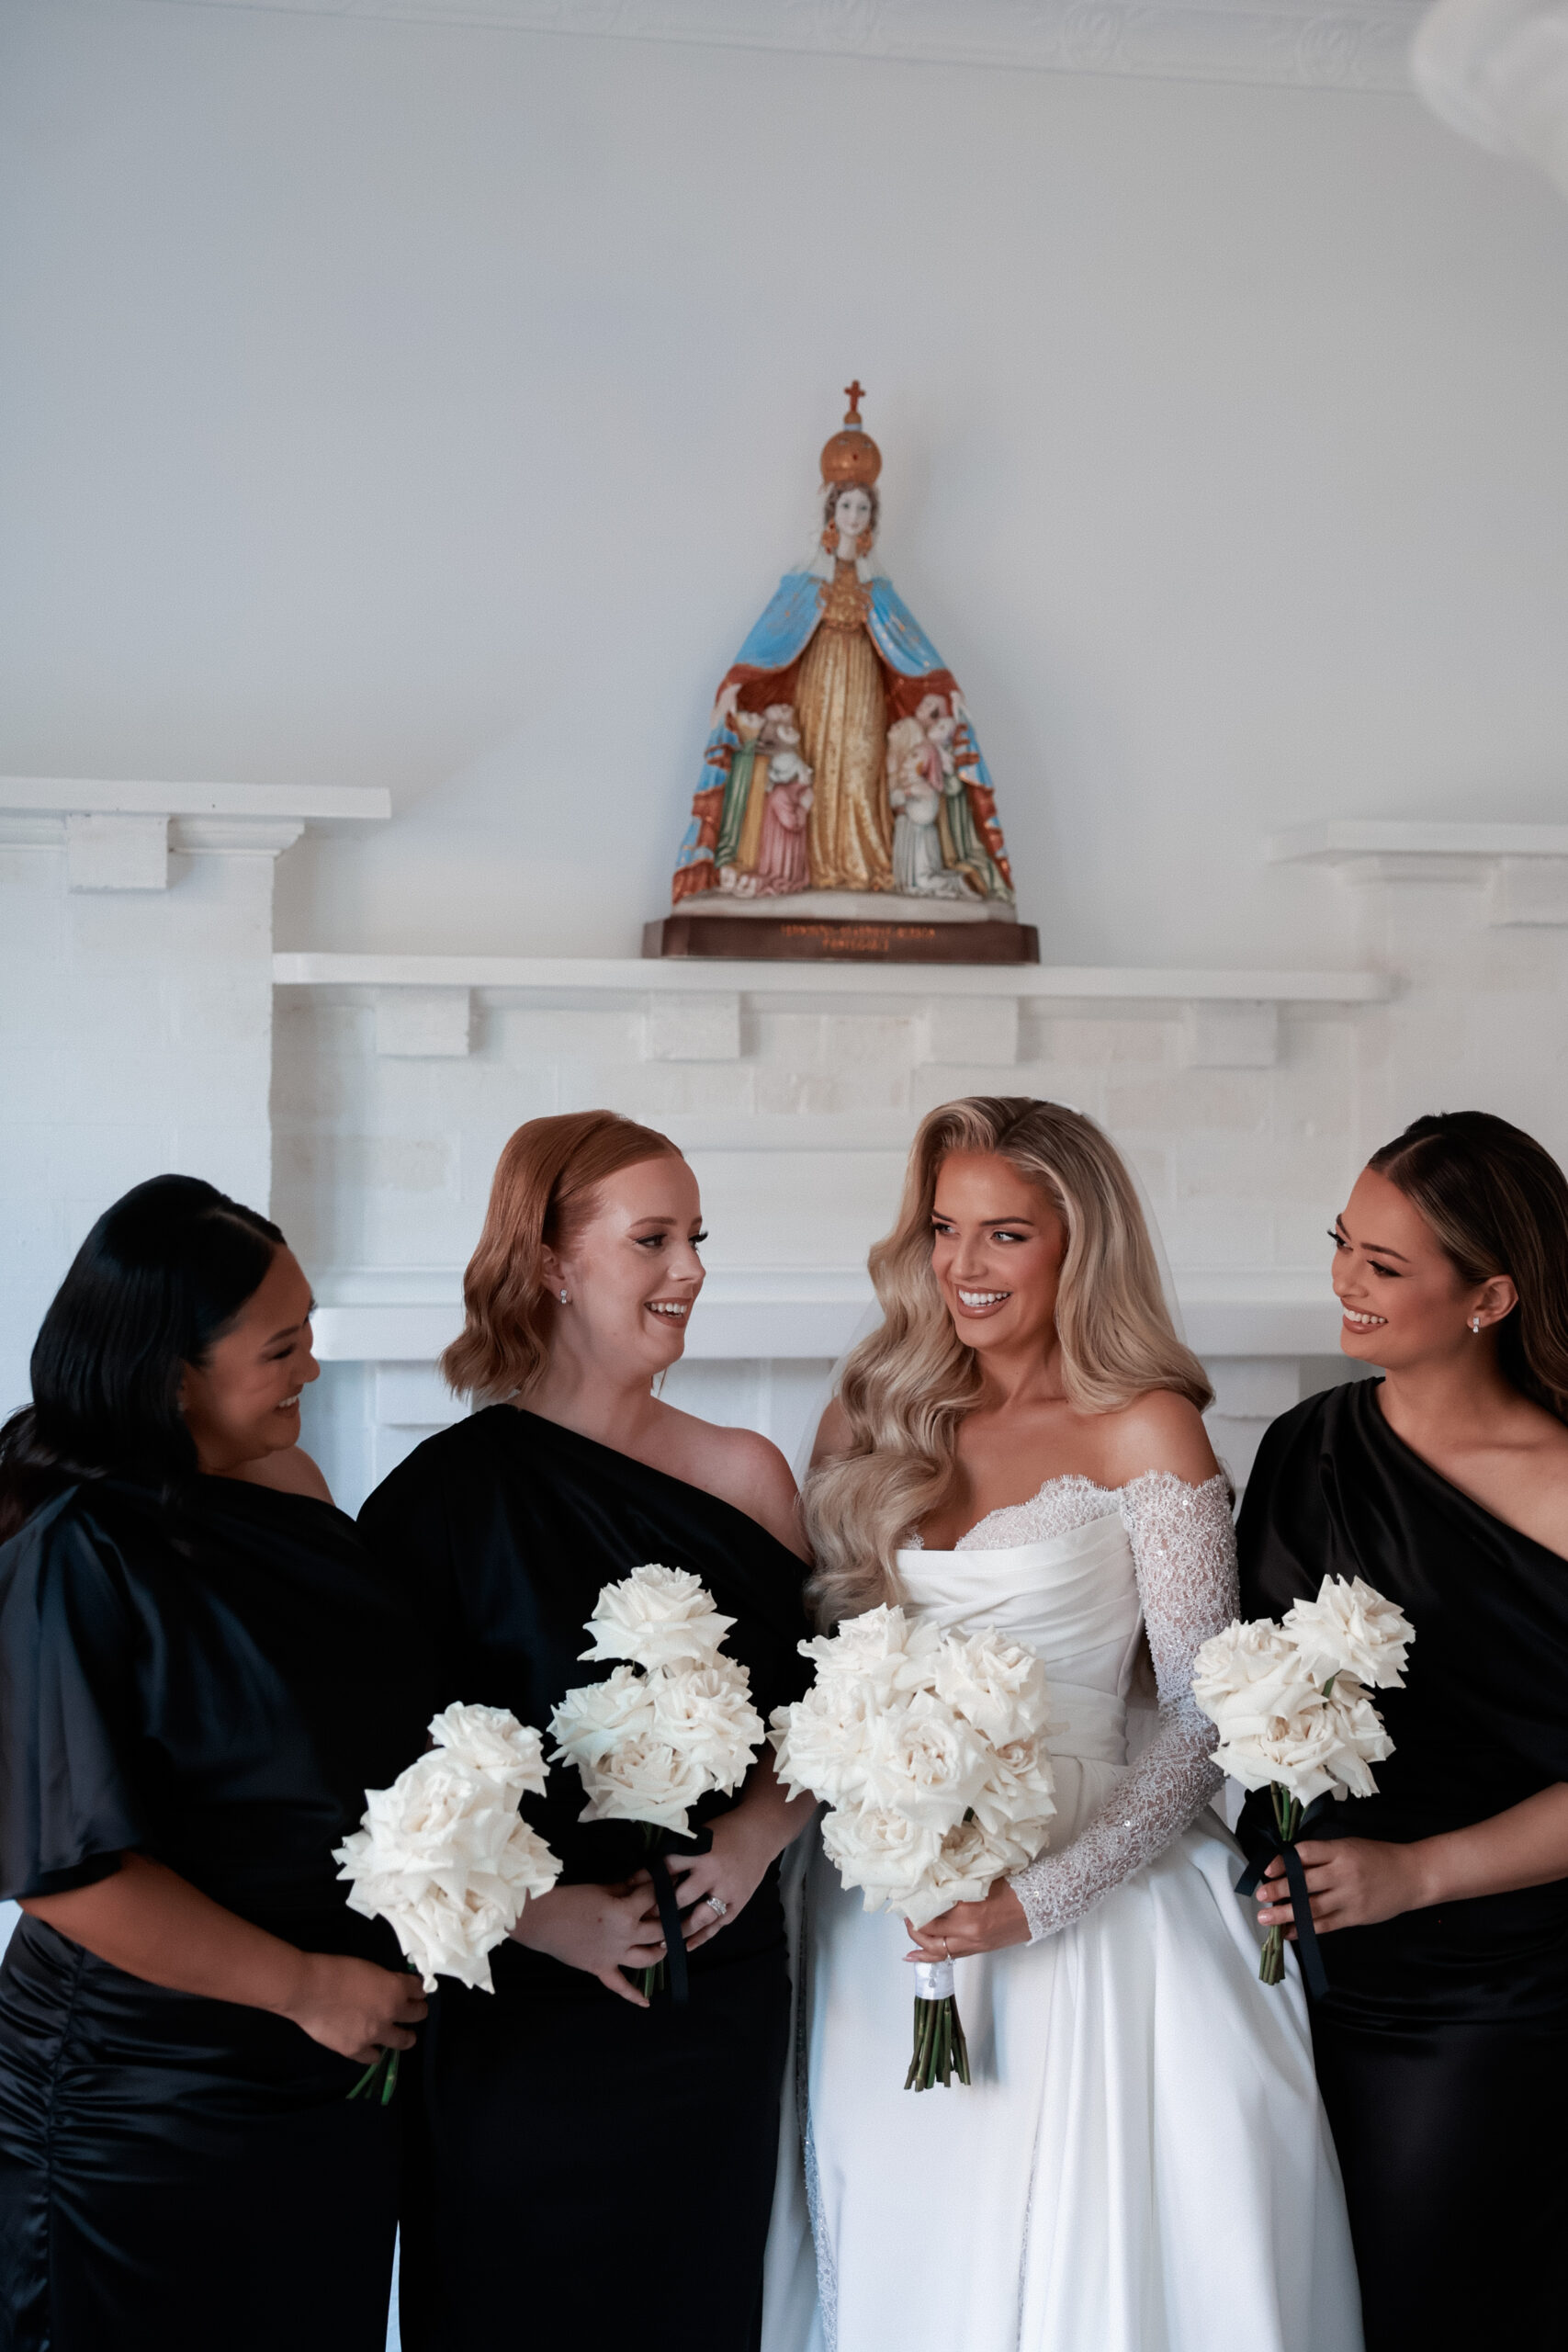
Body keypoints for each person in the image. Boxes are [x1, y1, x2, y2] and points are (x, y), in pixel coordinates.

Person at [789, 1096, 1361, 2352]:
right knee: (905, 2251)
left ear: (1076, 1243)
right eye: (942, 1229)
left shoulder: (1139, 1424)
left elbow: (1202, 1712)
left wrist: (1035, 1901)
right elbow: (821, 1671)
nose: (961, 1266)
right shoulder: (870, 1413)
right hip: (883, 1921)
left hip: (1096, 1917)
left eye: (1003, 1234)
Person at [357, 1111, 815, 2352]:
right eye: (652, 1239)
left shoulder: (746, 1475)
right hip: (518, 2016)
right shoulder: (435, 1505)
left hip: (707, 1993)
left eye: (696, 1239)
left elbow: (822, 1717)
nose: (691, 1271)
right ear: (552, 1260)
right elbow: (379, 1792)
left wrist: (749, 1850)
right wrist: (547, 1918)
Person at [0, 1176, 430, 2352]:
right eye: (282, 1346)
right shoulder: (76, 1550)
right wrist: (305, 1986)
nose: (313, 1371)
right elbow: (64, 1873)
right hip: (144, 2102)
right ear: (171, 1369)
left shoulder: (291, 1489)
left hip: (323, 2088)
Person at [1235, 1111, 1568, 2352]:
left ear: (1488, 1294)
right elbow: (1240, 1694)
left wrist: (1417, 1872)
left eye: (1383, 1267)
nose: (1342, 1283)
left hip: (1499, 1986)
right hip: (1307, 1961)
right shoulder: (1306, 1449)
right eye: (1341, 1244)